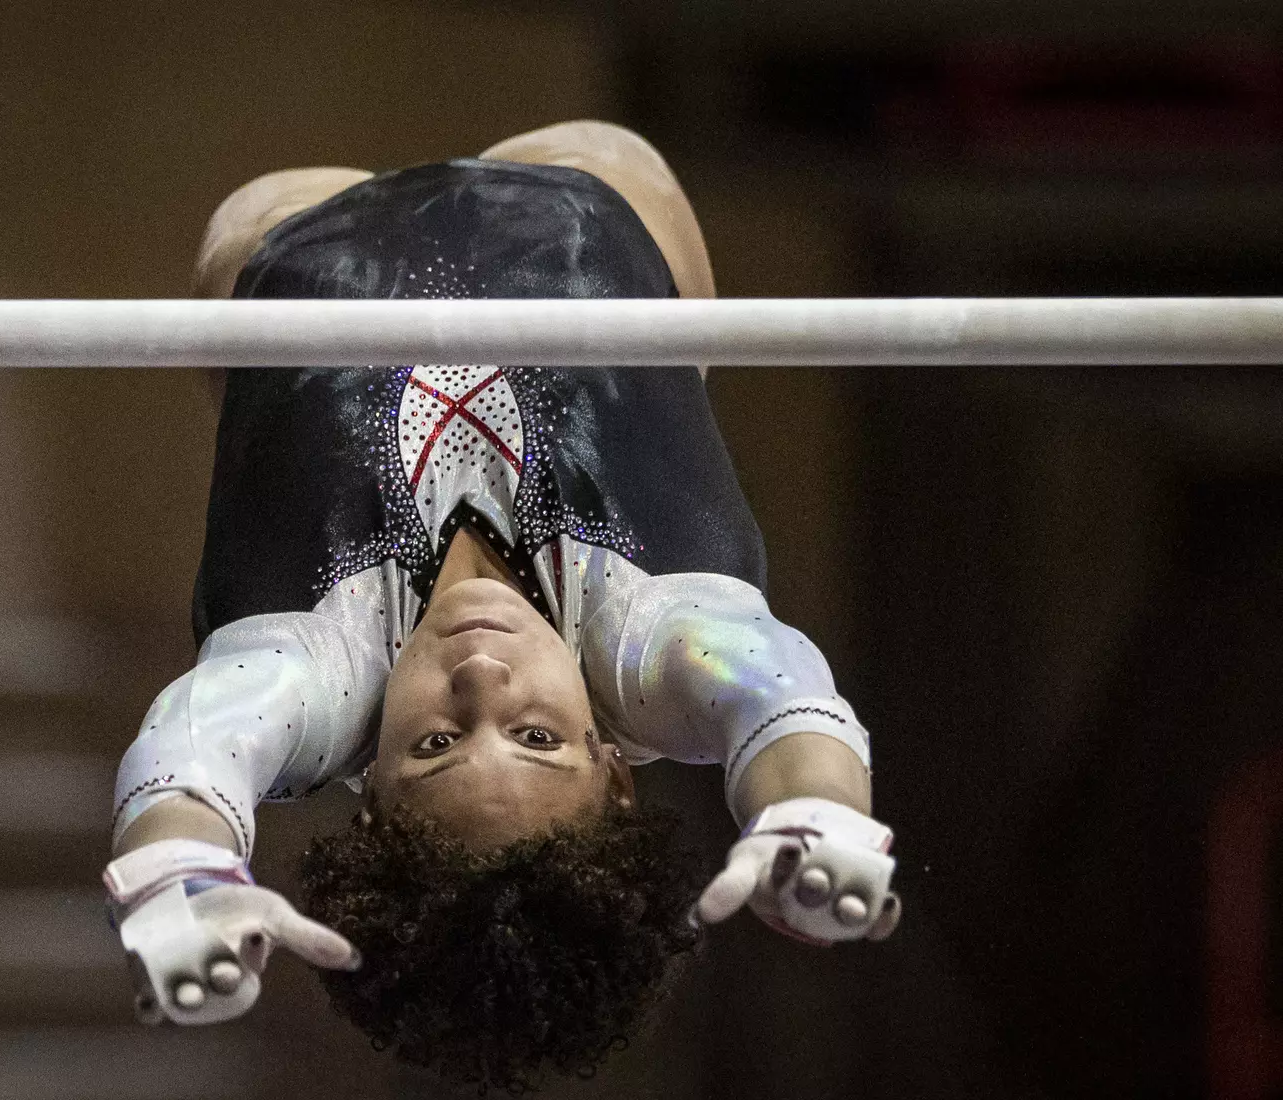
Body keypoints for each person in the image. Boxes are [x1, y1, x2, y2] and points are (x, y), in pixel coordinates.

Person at [103, 120, 900, 1091]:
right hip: (580, 186)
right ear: (613, 772)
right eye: (535, 735)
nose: (480, 676)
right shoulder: (648, 646)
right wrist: (814, 809)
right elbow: (773, 697)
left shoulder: (312, 673)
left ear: (370, 801)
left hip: (297, 224)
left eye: (434, 744)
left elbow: (192, 752)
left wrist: (180, 875)